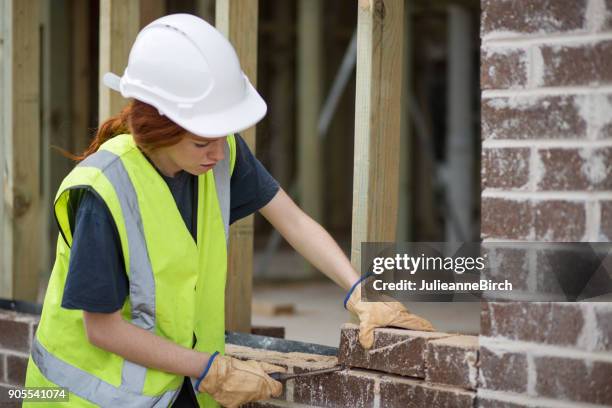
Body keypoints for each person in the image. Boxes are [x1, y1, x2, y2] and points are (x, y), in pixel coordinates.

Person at [24, 14, 434, 408]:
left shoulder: (219, 155)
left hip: (173, 386)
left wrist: (358, 293)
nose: (219, 153)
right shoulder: (104, 191)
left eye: (223, 136)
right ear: (157, 128)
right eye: (203, 143)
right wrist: (212, 370)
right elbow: (102, 329)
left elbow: (291, 220)